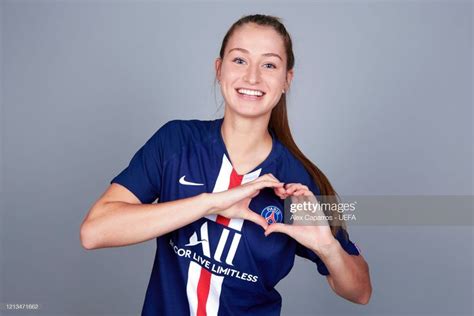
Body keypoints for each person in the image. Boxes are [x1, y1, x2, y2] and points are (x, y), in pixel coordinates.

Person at [80, 14, 372, 316]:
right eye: (240, 60)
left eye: (269, 65)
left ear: (287, 79)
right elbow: (95, 231)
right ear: (219, 69)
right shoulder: (176, 142)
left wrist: (328, 247)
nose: (252, 78)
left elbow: (361, 292)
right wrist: (210, 203)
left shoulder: (297, 184)